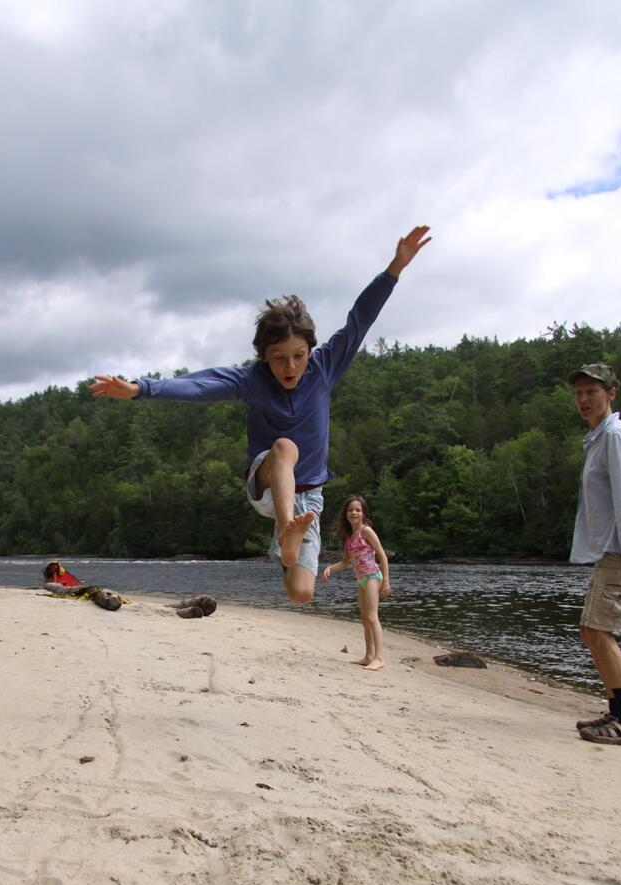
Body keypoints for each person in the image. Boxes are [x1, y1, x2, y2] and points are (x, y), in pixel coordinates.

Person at [89, 226, 430, 605]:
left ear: (310, 351)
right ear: (264, 356)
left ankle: (289, 542)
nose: (290, 366)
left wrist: (394, 269)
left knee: (301, 594)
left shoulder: (325, 367)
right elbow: (200, 386)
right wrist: (140, 389)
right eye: (279, 358)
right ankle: (286, 532)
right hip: (266, 482)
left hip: (309, 497)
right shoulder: (252, 380)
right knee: (285, 447)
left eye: (299, 356)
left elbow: (359, 320)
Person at [567, 364, 621, 744]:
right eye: (579, 394)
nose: (584, 399)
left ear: (612, 393)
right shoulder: (597, 438)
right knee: (592, 631)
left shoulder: (615, 437)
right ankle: (616, 709)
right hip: (607, 551)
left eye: (592, 391)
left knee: (597, 630)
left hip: (617, 552)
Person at [321, 495, 390, 670]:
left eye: (358, 510)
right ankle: (368, 656)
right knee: (364, 618)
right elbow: (345, 563)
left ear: (363, 513)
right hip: (361, 580)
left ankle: (379, 658)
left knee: (372, 616)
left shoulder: (366, 531)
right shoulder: (349, 538)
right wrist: (330, 568)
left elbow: (382, 555)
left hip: (373, 576)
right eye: (351, 510)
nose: (354, 513)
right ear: (346, 514)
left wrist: (386, 581)